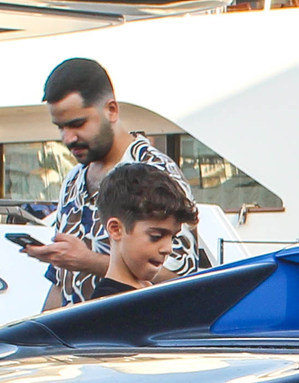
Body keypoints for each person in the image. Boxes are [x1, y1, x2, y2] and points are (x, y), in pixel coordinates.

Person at [25, 56, 191, 309]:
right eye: (60, 127)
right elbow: (62, 283)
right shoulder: (73, 180)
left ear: (111, 110)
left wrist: (87, 261)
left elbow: (183, 279)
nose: (68, 138)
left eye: (78, 124)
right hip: (76, 341)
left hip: (126, 337)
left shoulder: (158, 172)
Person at [92, 161, 197, 295]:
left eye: (173, 238)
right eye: (156, 237)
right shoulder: (110, 306)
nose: (168, 249)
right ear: (115, 229)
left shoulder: (148, 291)